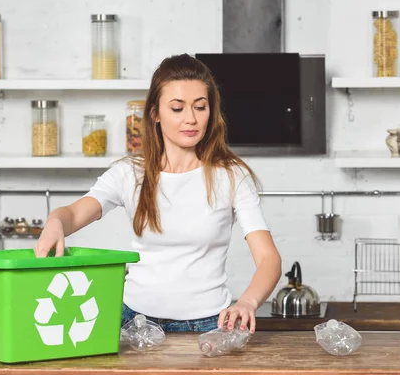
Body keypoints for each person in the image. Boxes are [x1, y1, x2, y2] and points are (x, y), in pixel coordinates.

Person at [34, 53, 282, 334]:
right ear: (155, 114)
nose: (191, 119)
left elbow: (268, 259)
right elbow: (73, 213)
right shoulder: (130, 173)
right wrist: (55, 222)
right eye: (177, 109)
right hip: (133, 322)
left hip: (208, 325)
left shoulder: (232, 175)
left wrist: (248, 302)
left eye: (200, 107)